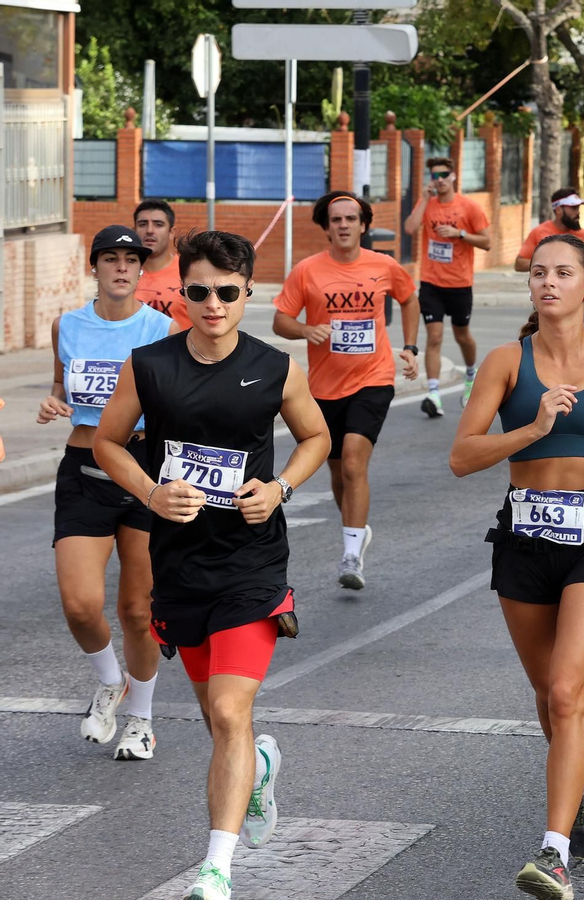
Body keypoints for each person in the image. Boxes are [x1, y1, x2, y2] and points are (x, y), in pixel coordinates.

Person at [94, 230, 331, 900]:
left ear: (247, 292)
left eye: (228, 292)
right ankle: (257, 763)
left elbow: (317, 435)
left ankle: (215, 868)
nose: (213, 303)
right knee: (218, 718)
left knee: (229, 710)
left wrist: (279, 487)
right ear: (181, 295)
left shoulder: (276, 366)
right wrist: (149, 492)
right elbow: (110, 443)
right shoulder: (149, 365)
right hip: (180, 567)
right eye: (198, 291)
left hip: (252, 561)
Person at [448, 233, 584, 900]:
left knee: (569, 692)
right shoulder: (504, 364)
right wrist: (533, 429)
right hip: (524, 533)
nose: (548, 282)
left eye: (563, 273)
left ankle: (553, 852)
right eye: (539, 273)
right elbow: (462, 456)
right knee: (549, 698)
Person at [39, 225, 177, 760]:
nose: (121, 267)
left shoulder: (162, 328)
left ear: (142, 270)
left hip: (142, 466)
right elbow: (60, 386)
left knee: (138, 610)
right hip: (83, 464)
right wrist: (53, 403)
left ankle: (140, 719)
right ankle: (109, 679)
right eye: (110, 259)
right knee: (80, 604)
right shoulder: (66, 326)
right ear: (93, 267)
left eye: (131, 259)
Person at [272, 191, 419, 590]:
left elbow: (409, 299)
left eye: (351, 219)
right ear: (326, 227)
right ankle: (356, 529)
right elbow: (280, 320)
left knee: (354, 461)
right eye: (336, 219)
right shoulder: (307, 271)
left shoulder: (383, 265)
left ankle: (351, 556)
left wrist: (409, 346)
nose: (343, 225)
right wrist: (305, 329)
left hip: (373, 378)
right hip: (323, 386)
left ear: (363, 225)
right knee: (338, 470)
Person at [404, 157, 491, 416]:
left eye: (443, 174)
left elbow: (486, 243)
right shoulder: (428, 205)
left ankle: (470, 376)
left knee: (462, 335)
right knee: (434, 336)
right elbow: (409, 227)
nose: (439, 179)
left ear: (453, 176)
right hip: (431, 281)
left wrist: (460, 234)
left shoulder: (469, 208)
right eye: (434, 175)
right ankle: (433, 394)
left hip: (460, 283)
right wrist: (422, 198)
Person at [134, 199, 188, 329]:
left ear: (171, 232)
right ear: (133, 230)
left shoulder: (188, 270)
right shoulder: (123, 273)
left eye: (158, 224)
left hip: (178, 349)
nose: (150, 230)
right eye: (142, 224)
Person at [517, 190, 584, 271]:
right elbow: (519, 264)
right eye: (573, 208)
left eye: (578, 208)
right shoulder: (539, 232)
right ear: (558, 210)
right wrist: (545, 264)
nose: (578, 212)